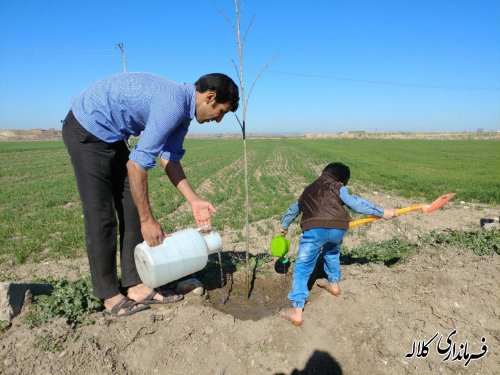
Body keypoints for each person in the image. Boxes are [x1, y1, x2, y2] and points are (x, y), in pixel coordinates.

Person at [62, 72, 239, 317]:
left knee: (133, 206)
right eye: (221, 111)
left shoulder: (185, 112)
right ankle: (110, 296)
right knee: (101, 215)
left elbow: (169, 158)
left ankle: (136, 286)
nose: (218, 120)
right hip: (87, 130)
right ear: (210, 97)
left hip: (113, 136)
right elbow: (137, 165)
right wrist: (148, 220)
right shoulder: (173, 105)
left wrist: (194, 200)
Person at [276, 162, 397, 326]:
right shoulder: (338, 187)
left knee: (303, 266)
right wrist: (382, 212)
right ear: (341, 181)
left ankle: (296, 311)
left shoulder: (307, 190)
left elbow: (293, 210)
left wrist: (284, 226)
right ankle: (334, 286)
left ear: (322, 173)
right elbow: (356, 203)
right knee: (332, 254)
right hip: (337, 229)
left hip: (314, 230)